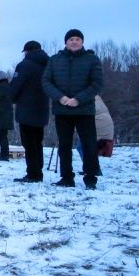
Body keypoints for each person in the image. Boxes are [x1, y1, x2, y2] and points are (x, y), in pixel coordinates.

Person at [41, 29, 103, 190]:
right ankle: (67, 177)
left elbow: (97, 83)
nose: (74, 41)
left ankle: (90, 178)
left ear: (82, 42)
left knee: (89, 144)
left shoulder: (92, 59)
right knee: (64, 145)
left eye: (77, 39)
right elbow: (46, 81)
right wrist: (60, 98)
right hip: (62, 110)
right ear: (66, 42)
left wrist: (78, 99)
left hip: (84, 109)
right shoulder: (55, 60)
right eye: (71, 39)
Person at [8, 41, 50, 183]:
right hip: (42, 108)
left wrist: (11, 98)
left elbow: (15, 85)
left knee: (29, 142)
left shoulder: (24, 65)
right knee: (38, 141)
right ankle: (38, 170)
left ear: (27, 51)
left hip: (26, 109)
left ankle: (33, 173)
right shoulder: (48, 64)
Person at [0, 71, 13, 161]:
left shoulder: (0, 88)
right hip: (6, 116)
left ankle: (4, 155)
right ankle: (4, 154)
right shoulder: (7, 86)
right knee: (3, 136)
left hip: (1, 116)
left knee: (2, 136)